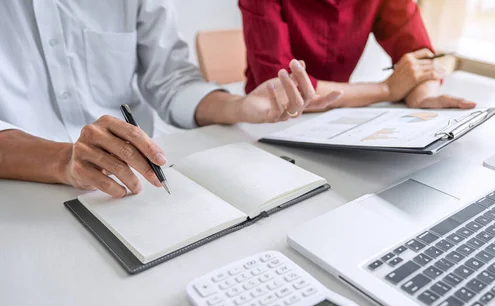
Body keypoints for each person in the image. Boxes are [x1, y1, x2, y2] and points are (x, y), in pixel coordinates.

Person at [0, 0, 342, 198]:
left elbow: (170, 79)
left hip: (133, 182)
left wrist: (237, 107)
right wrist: (64, 160)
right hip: (18, 193)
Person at [239, 0, 476, 110]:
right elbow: (281, 89)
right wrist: (386, 90)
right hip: (267, 120)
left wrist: (423, 96)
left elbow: (420, 57)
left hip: (340, 115)